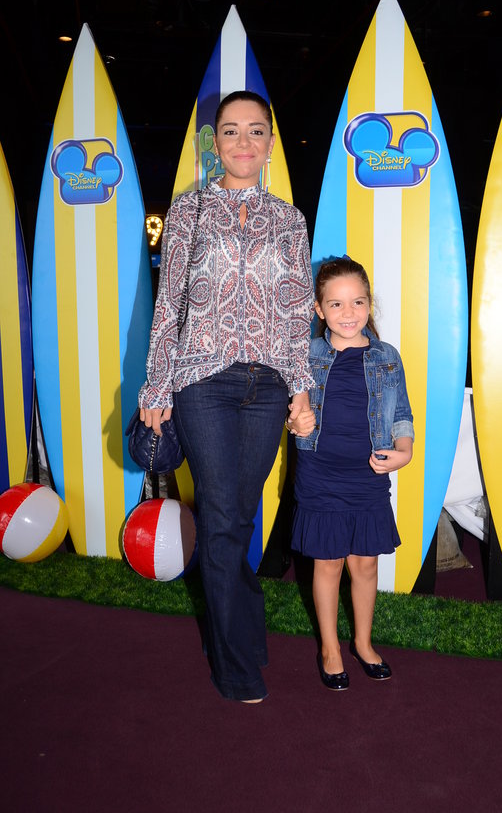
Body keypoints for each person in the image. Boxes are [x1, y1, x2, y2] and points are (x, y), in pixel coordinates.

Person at [138, 90, 315, 703]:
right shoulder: (188, 211)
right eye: (231, 131)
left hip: (268, 387)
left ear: (270, 143)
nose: (244, 142)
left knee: (237, 515)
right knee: (219, 514)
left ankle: (240, 625)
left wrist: (300, 389)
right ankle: (236, 665)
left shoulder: (290, 220)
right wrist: (156, 386)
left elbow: (296, 312)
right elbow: (168, 306)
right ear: (214, 143)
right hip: (202, 381)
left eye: (255, 131)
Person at [287, 257, 414, 690]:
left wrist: (404, 452)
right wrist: (293, 422)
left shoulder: (386, 356)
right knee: (328, 564)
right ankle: (330, 649)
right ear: (319, 309)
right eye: (336, 304)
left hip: (367, 475)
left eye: (357, 302)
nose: (348, 313)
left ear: (369, 304)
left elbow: (401, 413)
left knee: (365, 564)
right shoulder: (305, 356)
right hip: (320, 473)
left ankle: (363, 642)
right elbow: (288, 410)